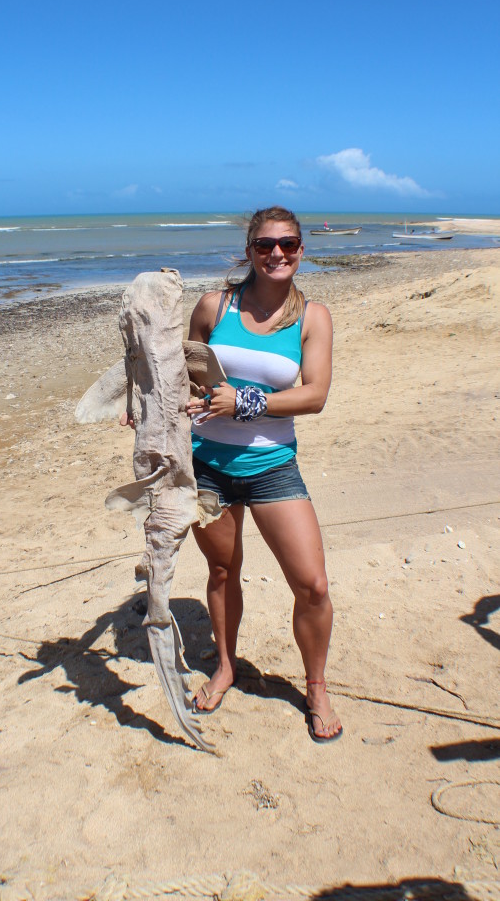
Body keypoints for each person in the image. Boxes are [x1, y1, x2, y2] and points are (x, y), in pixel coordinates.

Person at [185, 205, 342, 742]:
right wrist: (145, 404)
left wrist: (245, 402)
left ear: (301, 250)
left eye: (289, 244)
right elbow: (188, 378)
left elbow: (314, 395)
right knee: (223, 573)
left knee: (313, 585)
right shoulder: (214, 306)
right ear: (249, 251)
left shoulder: (312, 317)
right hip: (207, 466)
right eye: (266, 245)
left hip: (273, 466)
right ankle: (225, 665)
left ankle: (316, 685)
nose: (278, 253)